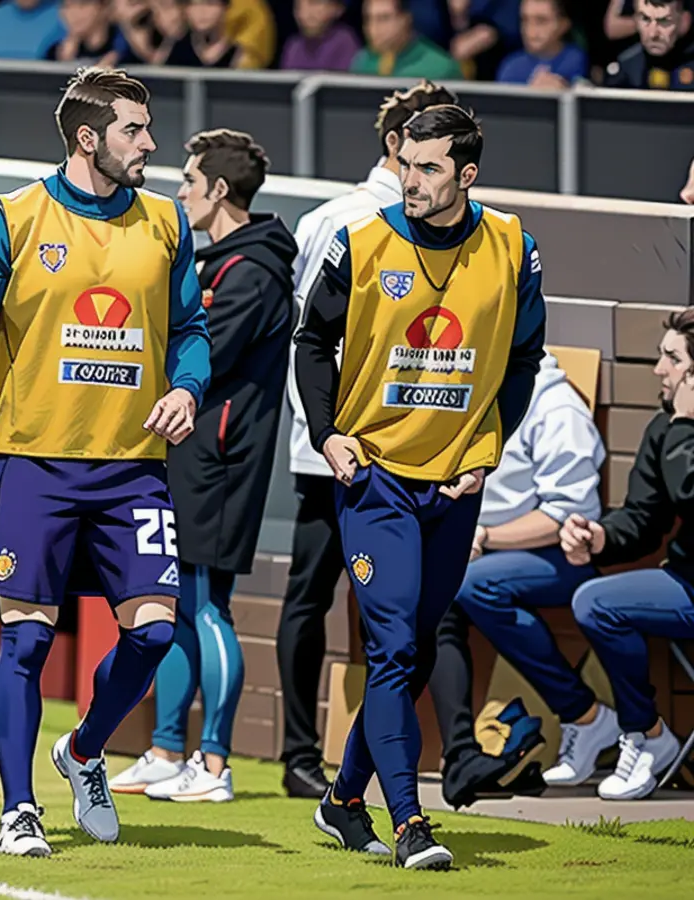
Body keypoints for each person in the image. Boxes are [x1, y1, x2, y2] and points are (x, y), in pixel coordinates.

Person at [0, 66, 210, 857]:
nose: (151, 143)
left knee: (155, 636)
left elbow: (190, 327)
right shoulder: (15, 219)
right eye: (134, 129)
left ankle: (84, 750)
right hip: (35, 467)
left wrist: (188, 388)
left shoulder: (166, 222)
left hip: (134, 470)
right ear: (88, 137)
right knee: (25, 643)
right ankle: (18, 808)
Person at [296, 104, 547, 869]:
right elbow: (312, 341)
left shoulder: (513, 248)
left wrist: (489, 448)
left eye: (430, 168)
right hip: (374, 478)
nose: (412, 179)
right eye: (406, 163)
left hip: (457, 483)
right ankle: (409, 823)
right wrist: (326, 433)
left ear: (466, 175)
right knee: (395, 649)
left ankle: (343, 803)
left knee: (409, 645)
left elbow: (525, 359)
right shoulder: (360, 241)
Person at [278, 79, 459, 801]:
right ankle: (303, 757)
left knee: (371, 609)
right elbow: (310, 337)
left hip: (392, 445)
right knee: (320, 598)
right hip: (345, 447)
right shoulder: (343, 222)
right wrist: (323, 431)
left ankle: (327, 765)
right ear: (397, 144)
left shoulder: (470, 231)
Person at [109, 129, 296, 803]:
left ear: (218, 191)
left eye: (188, 181)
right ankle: (165, 749)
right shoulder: (219, 261)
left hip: (221, 458)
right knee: (180, 600)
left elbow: (200, 354)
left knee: (210, 603)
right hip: (188, 455)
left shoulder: (255, 270)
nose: (179, 191)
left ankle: (214, 763)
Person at [426, 350, 605, 810]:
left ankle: (582, 712)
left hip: (559, 556)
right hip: (483, 551)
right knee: (438, 598)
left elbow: (570, 514)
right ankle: (461, 754)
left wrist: (483, 536)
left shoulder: (556, 408)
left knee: (469, 584)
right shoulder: (478, 394)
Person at [558, 308, 694, 800]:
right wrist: (599, 536)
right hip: (686, 584)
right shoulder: (667, 430)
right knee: (595, 600)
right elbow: (644, 519)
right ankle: (648, 734)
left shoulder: (676, 429)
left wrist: (684, 426)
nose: (659, 369)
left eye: (672, 359)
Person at [351, 0, 463, 79]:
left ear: (405, 19)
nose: (373, 28)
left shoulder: (441, 68)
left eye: (383, 18)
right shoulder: (362, 61)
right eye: (368, 19)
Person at [603, 0, 694, 91]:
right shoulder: (626, 69)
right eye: (645, 19)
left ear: (684, 21)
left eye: (664, 21)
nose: (653, 34)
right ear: (636, 20)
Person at [496, 0, 588, 87]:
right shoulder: (511, 66)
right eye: (525, 20)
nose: (531, 29)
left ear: (563, 24)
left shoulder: (577, 60)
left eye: (541, 21)